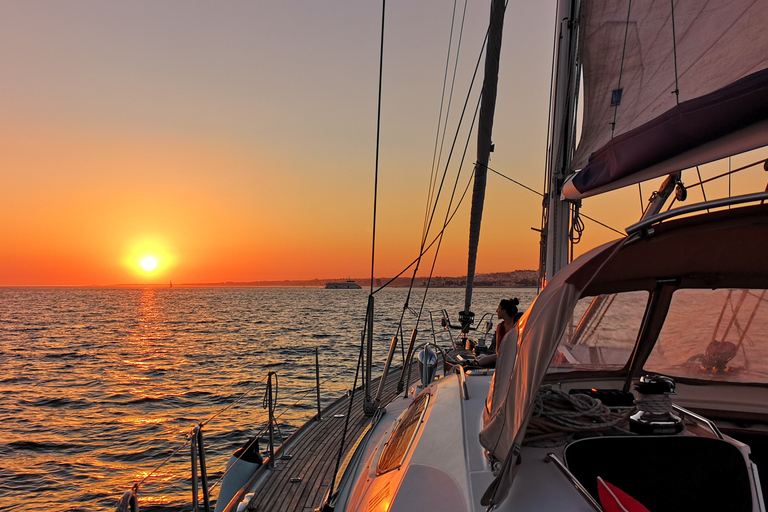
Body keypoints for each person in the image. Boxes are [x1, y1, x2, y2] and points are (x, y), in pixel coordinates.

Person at [479, 297, 521, 368]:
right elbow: (497, 349)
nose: (496, 311)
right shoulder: (500, 327)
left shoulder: (518, 325)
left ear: (504, 311)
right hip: (503, 355)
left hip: (516, 355)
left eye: (498, 308)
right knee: (479, 362)